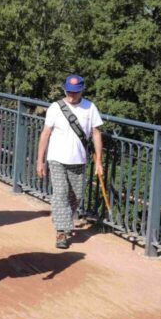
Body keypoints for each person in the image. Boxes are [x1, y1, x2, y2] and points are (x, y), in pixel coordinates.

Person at [36, 74, 104, 250]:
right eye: (69, 91)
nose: (72, 95)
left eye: (75, 92)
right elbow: (45, 133)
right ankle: (61, 231)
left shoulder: (90, 108)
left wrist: (99, 161)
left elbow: (96, 133)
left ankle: (61, 217)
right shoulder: (55, 107)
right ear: (64, 89)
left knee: (77, 195)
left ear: (82, 90)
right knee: (61, 193)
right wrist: (40, 160)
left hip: (78, 159)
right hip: (56, 158)